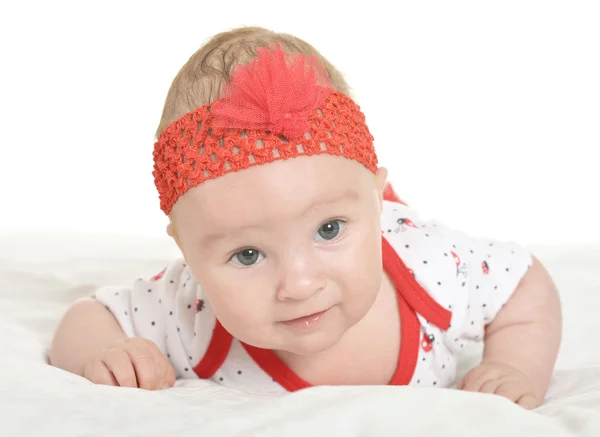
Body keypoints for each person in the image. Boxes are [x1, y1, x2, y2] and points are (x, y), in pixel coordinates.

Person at [49, 26, 562, 410]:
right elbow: (88, 317)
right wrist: (109, 353)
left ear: (375, 204)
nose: (298, 283)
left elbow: (524, 284)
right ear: (187, 252)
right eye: (247, 254)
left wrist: (511, 366)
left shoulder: (433, 269)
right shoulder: (191, 311)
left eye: (329, 230)